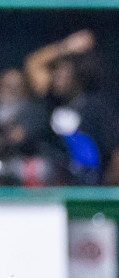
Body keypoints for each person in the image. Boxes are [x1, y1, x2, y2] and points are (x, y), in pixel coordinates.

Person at [26, 30, 119, 185]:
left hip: (87, 193)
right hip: (53, 192)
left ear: (77, 71)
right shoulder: (51, 101)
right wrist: (66, 46)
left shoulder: (97, 107)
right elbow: (33, 63)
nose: (55, 75)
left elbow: (114, 154)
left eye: (61, 69)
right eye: (53, 70)